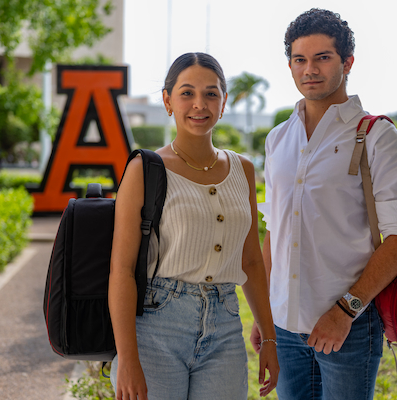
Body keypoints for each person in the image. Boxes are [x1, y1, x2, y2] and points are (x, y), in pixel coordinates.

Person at [252, 9, 397, 400]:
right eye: (300, 59)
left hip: (347, 326)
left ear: (347, 63)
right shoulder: (278, 139)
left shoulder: (377, 136)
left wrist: (344, 311)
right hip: (284, 327)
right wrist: (266, 314)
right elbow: (275, 230)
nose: (309, 69)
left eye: (322, 58)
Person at [108, 52, 279, 400]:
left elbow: (251, 261)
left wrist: (270, 337)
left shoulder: (243, 170)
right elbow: (122, 269)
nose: (199, 104)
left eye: (211, 93)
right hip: (156, 327)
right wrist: (126, 357)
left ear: (224, 101)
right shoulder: (145, 169)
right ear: (168, 100)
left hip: (225, 325)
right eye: (187, 93)